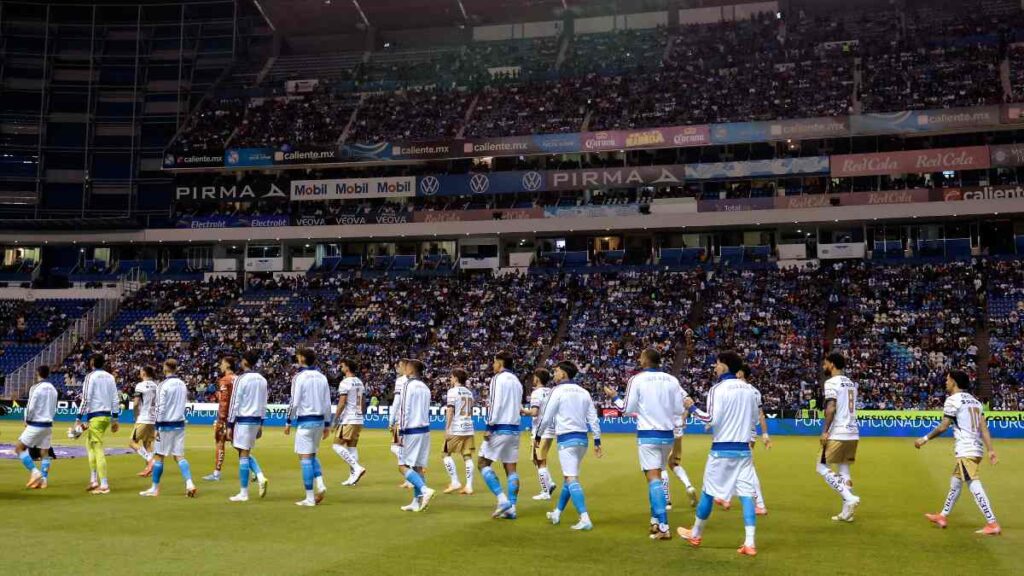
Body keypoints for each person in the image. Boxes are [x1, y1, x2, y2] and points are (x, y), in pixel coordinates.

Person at [677, 351, 761, 557]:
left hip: (722, 450)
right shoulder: (750, 390)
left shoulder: (717, 389)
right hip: (743, 450)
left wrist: (692, 407)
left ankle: (695, 533)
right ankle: (749, 543)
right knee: (747, 495)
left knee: (708, 491)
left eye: (716, 364)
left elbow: (710, 420)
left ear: (724, 366)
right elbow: (753, 422)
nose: (714, 367)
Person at [608, 348, 685, 540]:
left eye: (641, 356)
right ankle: (654, 520)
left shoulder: (637, 379)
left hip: (648, 434)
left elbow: (627, 409)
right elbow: (678, 409)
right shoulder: (672, 380)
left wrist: (614, 397)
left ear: (645, 360)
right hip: (667, 435)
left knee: (653, 479)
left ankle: (663, 526)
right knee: (656, 477)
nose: (638, 359)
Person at [915, 370, 1001, 535]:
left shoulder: (953, 400)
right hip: (976, 449)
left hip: (966, 449)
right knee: (956, 481)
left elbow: (943, 426)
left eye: (947, 380)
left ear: (954, 382)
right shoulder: (975, 402)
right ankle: (942, 516)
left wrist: (924, 439)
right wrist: (990, 450)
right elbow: (984, 428)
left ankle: (992, 523)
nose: (945, 382)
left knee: (973, 484)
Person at [538, 361, 602, 531]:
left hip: (566, 439)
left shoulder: (557, 391)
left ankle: (584, 517)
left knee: (571, 478)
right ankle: (557, 513)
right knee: (569, 477)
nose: (555, 374)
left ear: (564, 374)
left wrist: (538, 435)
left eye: (557, 371)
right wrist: (597, 440)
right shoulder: (584, 392)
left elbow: (546, 416)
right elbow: (593, 419)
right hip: (582, 440)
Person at [714, 364, 770, 514]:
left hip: (741, 434)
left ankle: (759, 504)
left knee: (746, 469)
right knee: (732, 465)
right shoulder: (754, 391)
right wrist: (764, 434)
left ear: (740, 373)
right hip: (746, 433)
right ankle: (726, 497)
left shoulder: (736, 389)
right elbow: (760, 415)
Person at [140, 359, 197, 498]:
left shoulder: (163, 385)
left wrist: (157, 425)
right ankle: (189, 483)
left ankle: (154, 488)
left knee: (159, 456)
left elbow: (161, 407)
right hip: (179, 423)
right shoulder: (182, 384)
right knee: (179, 456)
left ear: (165, 368)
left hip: (165, 425)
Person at [478, 351, 524, 520]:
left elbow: (495, 404)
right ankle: (512, 508)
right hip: (514, 429)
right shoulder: (517, 382)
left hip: (499, 427)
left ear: (501, 362)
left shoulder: (498, 379)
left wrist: (489, 425)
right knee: (511, 468)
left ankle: (502, 499)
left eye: (494, 362)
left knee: (482, 463)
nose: (493, 365)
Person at [816, 352, 862, 522]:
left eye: (825, 363)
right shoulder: (851, 383)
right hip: (853, 432)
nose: (824, 366)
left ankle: (849, 498)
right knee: (844, 470)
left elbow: (831, 407)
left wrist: (825, 431)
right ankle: (847, 513)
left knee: (821, 467)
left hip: (838, 431)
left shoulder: (831, 382)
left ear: (832, 365)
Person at [284, 347, 332, 507]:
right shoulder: (322, 377)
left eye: (298, 356)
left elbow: (294, 402)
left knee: (304, 458)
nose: (297, 358)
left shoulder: (299, 377)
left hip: (305, 421)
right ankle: (320, 483)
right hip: (319, 422)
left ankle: (310, 497)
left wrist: (288, 421)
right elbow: (327, 403)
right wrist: (327, 424)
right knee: (311, 455)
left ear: (302, 358)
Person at [225, 350, 270, 502]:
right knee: (244, 451)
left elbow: (234, 403)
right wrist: (261, 424)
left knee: (242, 454)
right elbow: (264, 403)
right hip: (256, 420)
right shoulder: (262, 380)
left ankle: (244, 493)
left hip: (243, 420)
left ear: (245, 361)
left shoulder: (240, 379)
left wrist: (229, 424)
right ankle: (260, 476)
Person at [393, 359, 436, 511]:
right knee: (418, 467)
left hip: (411, 430)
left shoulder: (407, 385)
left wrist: (401, 432)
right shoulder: (425, 387)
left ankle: (425, 490)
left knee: (402, 465)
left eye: (407, 366)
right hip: (424, 430)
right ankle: (416, 503)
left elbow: (405, 409)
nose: (404, 368)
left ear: (411, 370)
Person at [77, 353, 120, 494]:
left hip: (95, 415)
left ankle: (104, 484)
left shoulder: (90, 377)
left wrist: (78, 417)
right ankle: (94, 479)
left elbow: (86, 398)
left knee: (97, 448)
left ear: (93, 362)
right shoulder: (110, 377)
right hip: (106, 416)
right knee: (89, 445)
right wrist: (114, 419)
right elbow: (115, 399)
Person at [17, 366, 58, 489]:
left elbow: (31, 406)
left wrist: (27, 420)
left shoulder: (35, 387)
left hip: (36, 423)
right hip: (48, 424)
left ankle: (35, 473)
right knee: (44, 452)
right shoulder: (53, 389)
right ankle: (44, 480)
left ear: (38, 374)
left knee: (19, 448)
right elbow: (53, 408)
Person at [331, 358, 367, 486]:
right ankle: (353, 478)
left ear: (347, 368)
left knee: (336, 445)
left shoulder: (345, 382)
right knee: (352, 447)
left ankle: (357, 468)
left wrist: (334, 420)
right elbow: (363, 401)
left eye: (342, 366)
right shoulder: (359, 382)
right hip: (358, 418)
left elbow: (342, 402)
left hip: (349, 419)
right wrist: (360, 414)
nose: (341, 368)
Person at [524, 368, 556, 501]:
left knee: (539, 460)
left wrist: (521, 410)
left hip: (540, 431)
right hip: (550, 429)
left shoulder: (536, 393)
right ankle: (550, 483)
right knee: (539, 459)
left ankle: (545, 491)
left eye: (534, 377)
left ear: (537, 378)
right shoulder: (551, 392)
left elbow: (534, 412)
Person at [442, 368, 476, 495]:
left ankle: (455, 481)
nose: (450, 379)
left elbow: (450, 410)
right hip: (468, 427)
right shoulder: (469, 392)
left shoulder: (452, 391)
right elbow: (471, 411)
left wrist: (447, 428)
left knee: (445, 454)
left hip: (456, 427)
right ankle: (469, 486)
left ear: (456, 378)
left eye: (451, 377)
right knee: (467, 456)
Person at [203, 356, 237, 482]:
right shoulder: (238, 379)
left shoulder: (225, 380)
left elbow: (224, 401)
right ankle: (256, 472)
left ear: (227, 365)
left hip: (226, 417)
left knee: (220, 442)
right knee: (240, 446)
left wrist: (221, 418)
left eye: (222, 363)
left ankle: (216, 473)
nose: (220, 366)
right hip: (238, 416)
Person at [130, 366, 159, 478]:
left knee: (132, 442)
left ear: (144, 373)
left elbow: (136, 404)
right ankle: (149, 470)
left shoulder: (140, 385)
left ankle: (150, 460)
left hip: (143, 418)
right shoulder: (156, 386)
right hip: (153, 419)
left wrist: (136, 416)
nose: (140, 373)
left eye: (141, 371)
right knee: (147, 444)